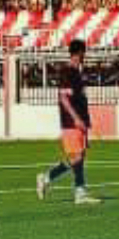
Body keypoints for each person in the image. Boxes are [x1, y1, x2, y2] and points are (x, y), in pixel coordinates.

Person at [37, 39, 94, 205]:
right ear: (79, 53)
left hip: (80, 120)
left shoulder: (77, 72)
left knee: (79, 156)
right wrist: (76, 118)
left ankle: (72, 188)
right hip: (71, 121)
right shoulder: (67, 72)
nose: (85, 56)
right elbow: (63, 97)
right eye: (84, 53)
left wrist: (84, 119)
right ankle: (75, 189)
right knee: (77, 156)